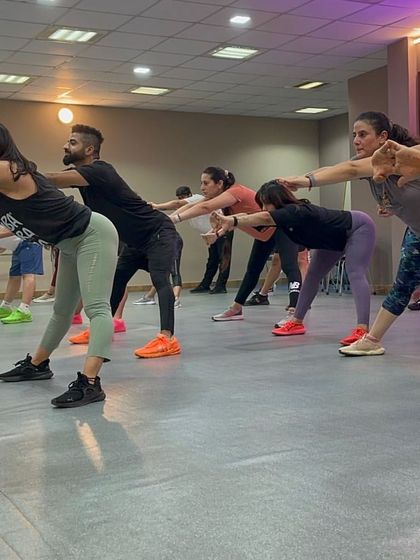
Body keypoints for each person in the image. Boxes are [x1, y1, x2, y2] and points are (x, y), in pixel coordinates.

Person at [277, 111, 420, 355]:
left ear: (383, 137)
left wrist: (306, 181)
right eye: (354, 135)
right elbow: (340, 167)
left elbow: (351, 169)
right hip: (416, 233)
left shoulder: (406, 156)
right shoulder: (371, 164)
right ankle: (372, 340)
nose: (356, 140)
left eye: (363, 134)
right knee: (401, 288)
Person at [0, 123, 119, 408]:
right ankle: (38, 364)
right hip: (68, 244)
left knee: (97, 307)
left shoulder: (7, 169)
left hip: (92, 233)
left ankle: (90, 383)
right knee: (62, 310)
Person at [45, 124, 181, 359]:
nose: (65, 146)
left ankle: (167, 338)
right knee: (117, 281)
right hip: (134, 242)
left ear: (90, 150)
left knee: (160, 279)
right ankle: (101, 329)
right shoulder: (84, 177)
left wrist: (15, 173)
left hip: (158, 232)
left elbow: (53, 178)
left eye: (72, 142)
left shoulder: (100, 170)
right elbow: (50, 181)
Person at [211, 181, 375, 344]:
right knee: (312, 277)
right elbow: (253, 218)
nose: (264, 208)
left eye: (266, 204)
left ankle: (362, 329)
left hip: (357, 227)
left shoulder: (295, 211)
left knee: (355, 273)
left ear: (277, 200)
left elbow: (264, 217)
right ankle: (297, 322)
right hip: (332, 240)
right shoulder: (283, 219)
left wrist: (232, 221)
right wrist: (226, 223)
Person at [170, 167, 302, 321]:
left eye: (206, 183)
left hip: (282, 227)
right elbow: (198, 207)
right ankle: (236, 309)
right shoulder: (222, 199)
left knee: (289, 266)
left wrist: (175, 219)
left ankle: (295, 312)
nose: (202, 188)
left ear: (220, 183)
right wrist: (215, 234)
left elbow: (205, 207)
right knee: (252, 270)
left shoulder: (235, 192)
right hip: (265, 234)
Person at [151, 185, 233, 294]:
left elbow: (177, 204)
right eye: (179, 197)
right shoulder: (189, 205)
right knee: (212, 260)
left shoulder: (196, 198)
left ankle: (221, 286)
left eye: (183, 197)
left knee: (224, 258)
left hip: (222, 230)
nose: (181, 199)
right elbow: (179, 209)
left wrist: (156, 206)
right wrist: (167, 219)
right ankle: (205, 284)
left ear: (189, 194)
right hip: (212, 233)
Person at [134, 231, 183, 309]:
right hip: (160, 242)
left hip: (172, 241)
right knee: (161, 271)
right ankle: (150, 296)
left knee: (174, 270)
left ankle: (175, 298)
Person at [0, 237, 43, 324]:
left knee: (28, 274)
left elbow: (11, 230)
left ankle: (24, 310)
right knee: (14, 275)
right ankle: (5, 306)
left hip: (30, 241)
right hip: (17, 246)